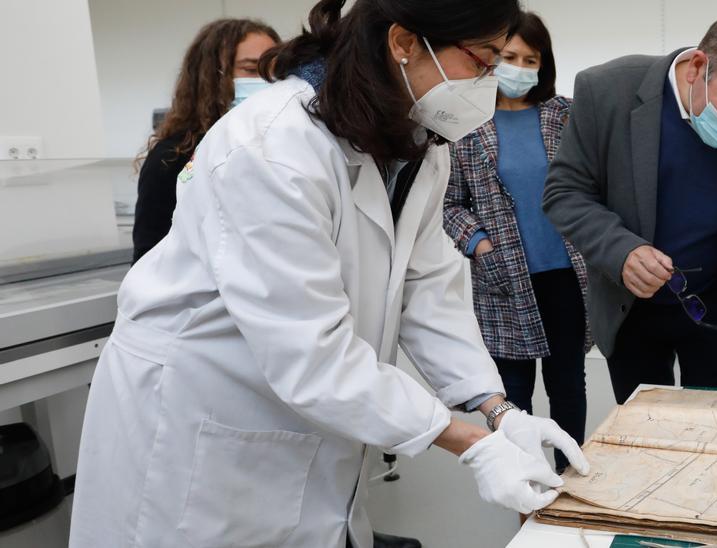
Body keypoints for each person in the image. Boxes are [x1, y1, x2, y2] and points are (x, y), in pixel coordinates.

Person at [69, 1, 588, 547]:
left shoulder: (417, 143)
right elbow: (310, 350)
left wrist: (498, 409)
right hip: (203, 413)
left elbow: (428, 289)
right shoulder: (273, 146)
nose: (488, 82)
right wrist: (468, 441)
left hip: (303, 414)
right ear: (404, 43)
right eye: (482, 60)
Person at [543, 8, 717, 404]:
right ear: (698, 67)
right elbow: (565, 192)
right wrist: (622, 251)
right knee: (644, 427)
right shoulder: (607, 91)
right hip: (631, 305)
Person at [443, 12, 589, 474]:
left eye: (531, 59)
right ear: (490, 58)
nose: (520, 68)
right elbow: (449, 203)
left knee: (569, 385)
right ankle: (525, 488)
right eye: (509, 57)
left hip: (565, 275)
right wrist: (480, 244)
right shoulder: (464, 124)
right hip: (503, 280)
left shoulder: (565, 115)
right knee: (513, 394)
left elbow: (591, 184)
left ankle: (570, 481)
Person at [132, 19, 280, 263]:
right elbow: (148, 256)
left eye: (276, 69)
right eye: (251, 69)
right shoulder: (173, 156)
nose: (268, 80)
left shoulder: (280, 146)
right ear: (212, 76)